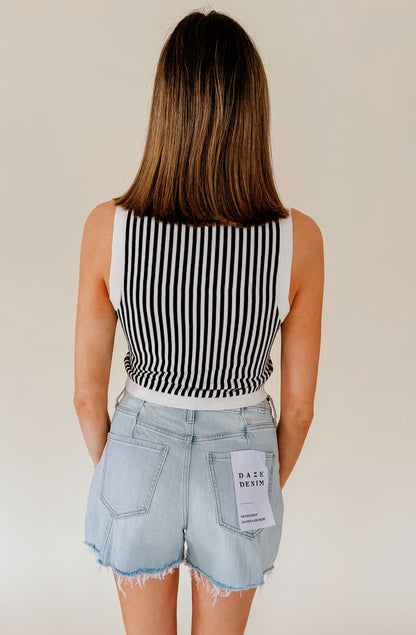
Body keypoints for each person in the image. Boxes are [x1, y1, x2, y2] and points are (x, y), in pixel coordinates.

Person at [74, 8, 324, 635]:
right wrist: (258, 479)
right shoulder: (299, 241)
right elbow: (298, 412)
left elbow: (85, 397)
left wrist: (122, 465)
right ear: (253, 112)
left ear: (166, 109)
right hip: (242, 448)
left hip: (137, 444)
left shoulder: (108, 229)